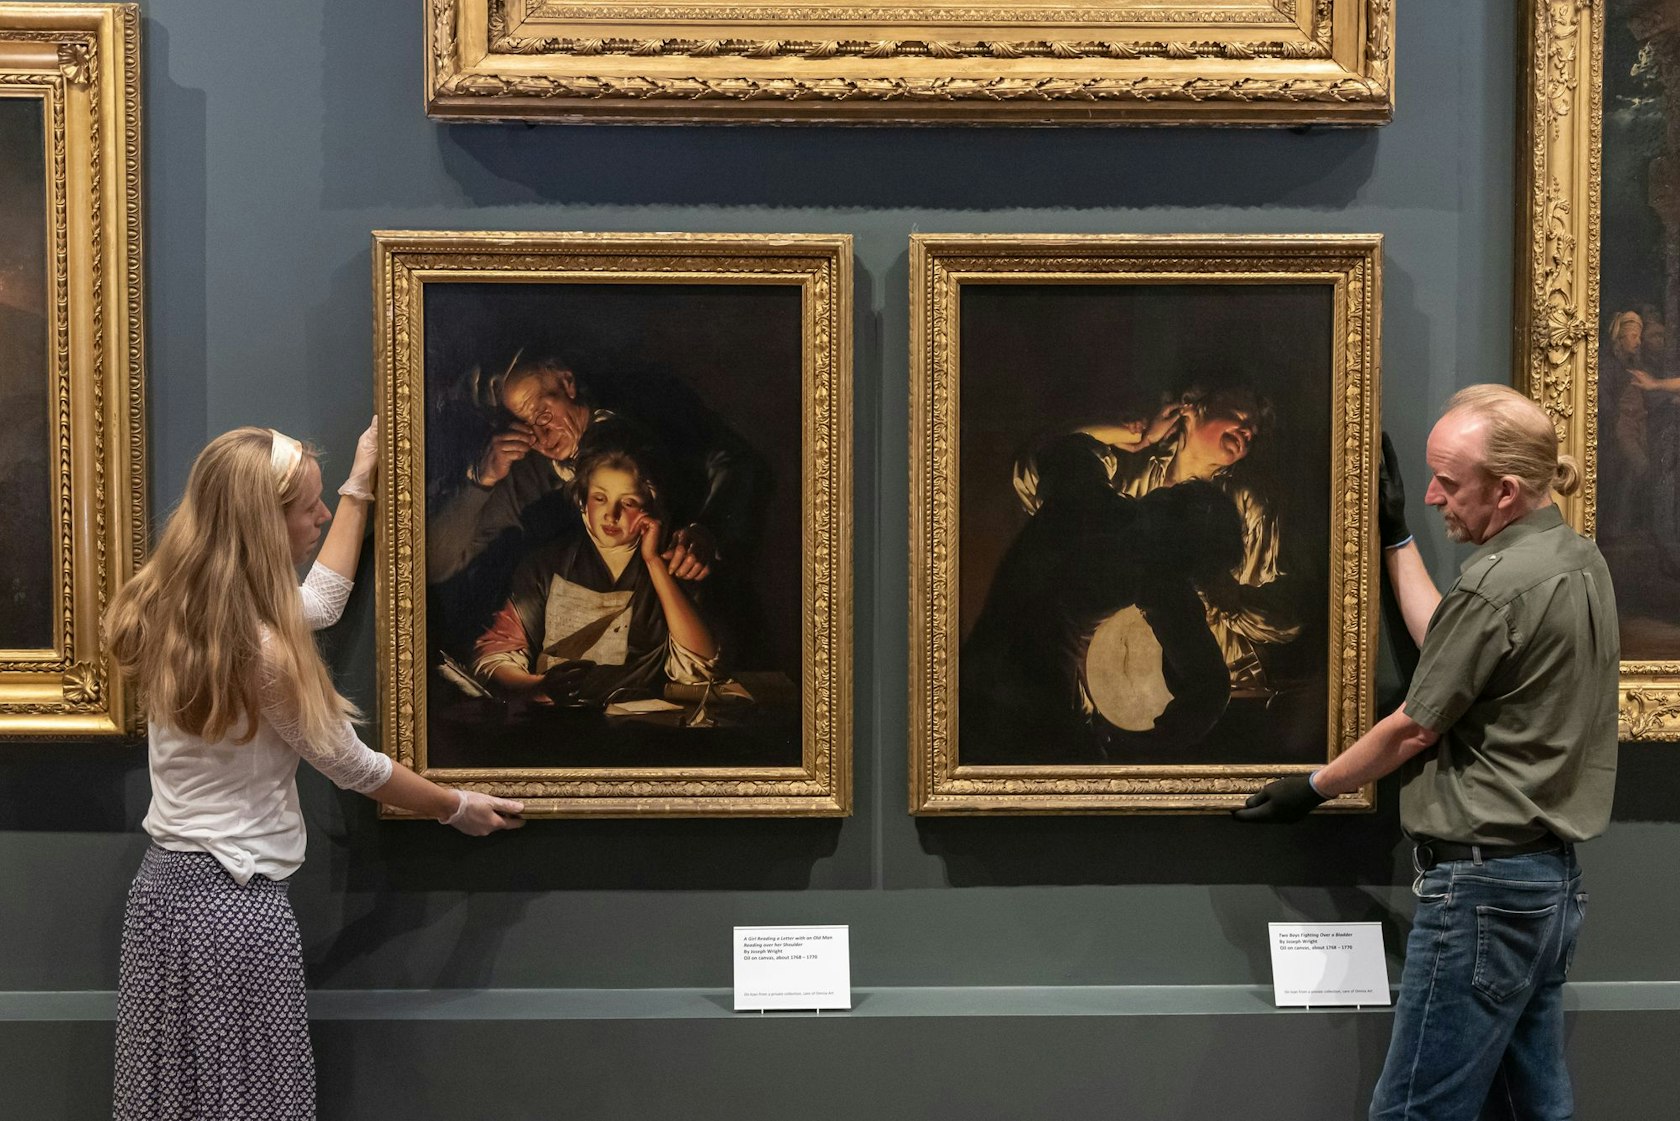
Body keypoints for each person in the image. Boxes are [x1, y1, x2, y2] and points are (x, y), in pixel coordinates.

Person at [104, 422, 525, 1120]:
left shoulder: (181, 608)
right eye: (307, 506)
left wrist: (360, 481)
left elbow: (322, 601)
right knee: (252, 1103)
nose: (321, 514)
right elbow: (353, 765)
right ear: (262, 526)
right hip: (233, 907)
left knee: (175, 1100)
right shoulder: (261, 648)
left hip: (165, 898)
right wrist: (455, 804)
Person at [1236, 385, 1618, 1121]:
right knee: (1532, 1104)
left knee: (1417, 1109)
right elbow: (1453, 638)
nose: (1436, 494)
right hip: (1545, 886)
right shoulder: (1575, 556)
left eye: (1449, 481)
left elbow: (1415, 725)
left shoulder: (1498, 584)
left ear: (1505, 491)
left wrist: (1312, 786)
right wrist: (1397, 535)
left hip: (1483, 891)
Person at [960, 425, 1245, 762]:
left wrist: (1134, 435)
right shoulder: (1156, 571)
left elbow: (1063, 445)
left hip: (976, 682)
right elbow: (1211, 686)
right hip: (1037, 708)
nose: (1167, 491)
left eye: (1176, 492)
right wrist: (1151, 742)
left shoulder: (1083, 494)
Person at [1012, 385, 1298, 700]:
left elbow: (1288, 618)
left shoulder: (1252, 503)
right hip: (1108, 682)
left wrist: (1231, 599)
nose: (1247, 431)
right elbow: (1042, 465)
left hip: (1210, 685)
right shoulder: (1121, 467)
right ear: (1189, 407)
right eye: (1239, 415)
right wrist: (1136, 436)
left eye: (1253, 432)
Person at [471, 419, 720, 707]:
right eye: (600, 498)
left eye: (628, 502)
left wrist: (653, 563)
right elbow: (493, 655)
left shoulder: (674, 564)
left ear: (651, 505)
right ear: (582, 502)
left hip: (642, 731)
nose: (611, 515)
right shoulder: (545, 565)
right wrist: (539, 686)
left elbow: (700, 668)